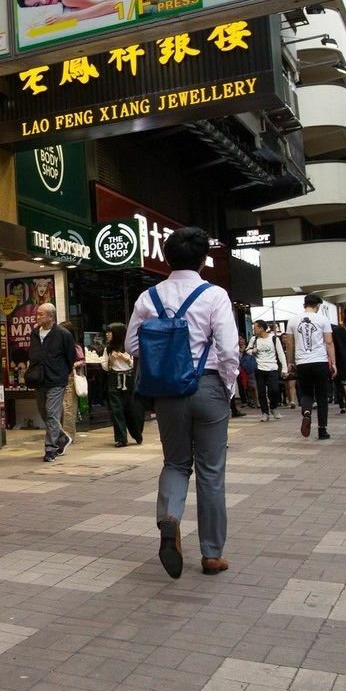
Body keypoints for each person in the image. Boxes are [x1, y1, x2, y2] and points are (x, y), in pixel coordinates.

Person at [128, 227, 238, 577]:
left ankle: (169, 519)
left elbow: (133, 346)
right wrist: (228, 384)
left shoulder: (149, 298)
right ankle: (211, 554)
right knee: (211, 472)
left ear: (167, 257)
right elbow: (228, 348)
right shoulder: (214, 295)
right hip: (208, 387)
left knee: (175, 463)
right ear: (203, 259)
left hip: (167, 394)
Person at [26, 302, 81, 462]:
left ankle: (50, 449)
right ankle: (62, 437)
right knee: (44, 412)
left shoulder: (63, 334)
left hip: (56, 379)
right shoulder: (35, 333)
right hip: (39, 379)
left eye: (41, 314)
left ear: (51, 316)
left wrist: (64, 372)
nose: (37, 317)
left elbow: (70, 356)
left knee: (51, 412)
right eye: (37, 314)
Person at [290, 295, 334, 441]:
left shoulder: (293, 320)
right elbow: (328, 342)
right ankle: (322, 430)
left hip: (302, 363)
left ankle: (307, 412)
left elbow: (290, 344)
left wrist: (290, 362)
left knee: (307, 393)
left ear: (304, 304)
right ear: (318, 306)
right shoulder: (323, 320)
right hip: (320, 361)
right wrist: (333, 362)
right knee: (322, 396)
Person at [101, 323, 142, 447]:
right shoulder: (107, 349)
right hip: (114, 379)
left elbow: (135, 364)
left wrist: (126, 359)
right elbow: (105, 366)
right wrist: (111, 360)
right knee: (116, 410)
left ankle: (136, 434)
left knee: (130, 409)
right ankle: (121, 438)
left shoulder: (129, 348)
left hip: (128, 379)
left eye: (110, 332)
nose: (107, 334)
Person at [250, 321, 283, 421]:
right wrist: (252, 351)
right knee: (261, 392)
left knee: (275, 389)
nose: (254, 330)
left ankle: (273, 407)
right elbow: (247, 350)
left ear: (261, 328)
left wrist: (284, 368)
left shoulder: (274, 338)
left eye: (255, 328)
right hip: (259, 368)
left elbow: (280, 354)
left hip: (272, 367)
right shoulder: (254, 339)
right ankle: (265, 412)